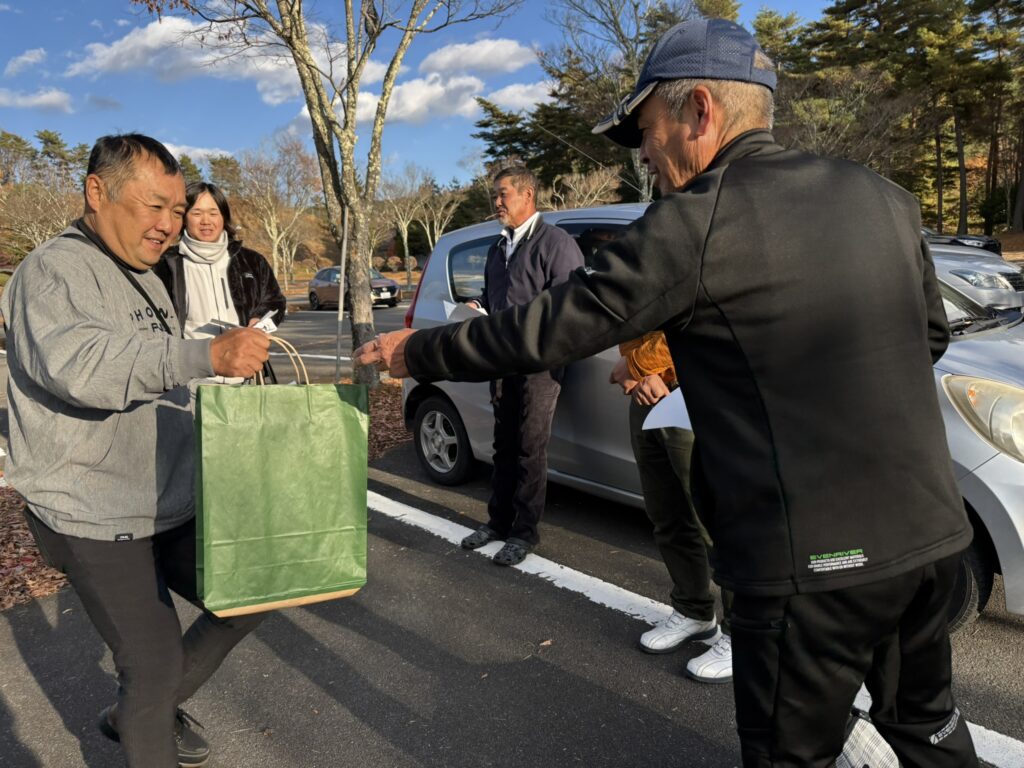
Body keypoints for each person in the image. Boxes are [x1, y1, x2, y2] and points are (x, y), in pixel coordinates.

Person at [357, 18, 979, 767]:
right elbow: (927, 338)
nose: (645, 156)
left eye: (648, 132)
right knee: (929, 730)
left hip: (808, 568)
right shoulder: (883, 197)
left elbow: (548, 329)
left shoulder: (695, 222)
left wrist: (416, 349)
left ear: (700, 111)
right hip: (930, 539)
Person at [1, 134, 272, 768]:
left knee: (253, 592)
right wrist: (203, 354)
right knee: (153, 667)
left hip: (167, 498)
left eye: (177, 210)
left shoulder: (144, 274)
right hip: (92, 513)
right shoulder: (52, 270)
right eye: (155, 207)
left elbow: (159, 379)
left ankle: (135, 713)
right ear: (97, 192)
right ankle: (146, 712)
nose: (169, 225)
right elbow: (83, 366)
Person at [457, 166, 585, 566]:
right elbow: (496, 298)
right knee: (504, 446)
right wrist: (477, 306)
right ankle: (497, 522)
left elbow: (569, 306)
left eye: (503, 194)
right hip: (502, 360)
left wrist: (535, 342)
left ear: (527, 195)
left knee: (531, 448)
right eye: (494, 195)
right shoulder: (498, 249)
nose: (496, 201)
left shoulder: (556, 243)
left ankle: (523, 533)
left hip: (540, 365)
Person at [610, 332, 733, 683]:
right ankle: (693, 611)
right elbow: (630, 317)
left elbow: (694, 321)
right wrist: (642, 374)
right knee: (667, 514)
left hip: (694, 391)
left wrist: (638, 366)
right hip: (646, 394)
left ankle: (743, 633)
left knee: (716, 523)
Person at [155, 180, 287, 350]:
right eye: (196, 213)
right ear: (184, 218)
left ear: (223, 217)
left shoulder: (252, 261)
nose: (206, 221)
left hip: (245, 361)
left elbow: (275, 301)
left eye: (213, 213)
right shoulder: (163, 264)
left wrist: (259, 319)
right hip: (191, 364)